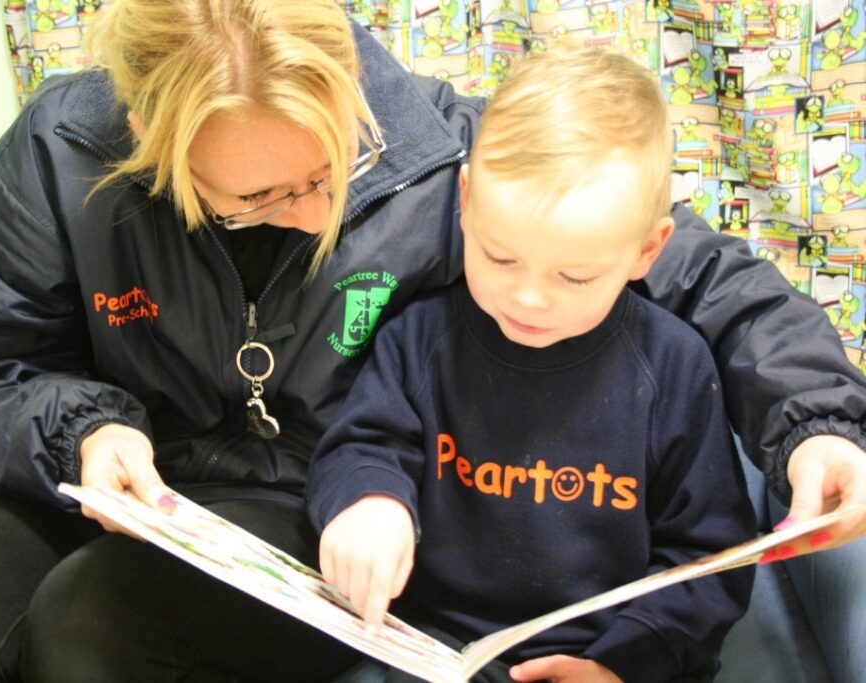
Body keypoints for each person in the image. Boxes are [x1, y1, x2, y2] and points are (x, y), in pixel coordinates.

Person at [0, 0, 863, 680]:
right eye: (258, 194)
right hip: (114, 486)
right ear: (150, 142)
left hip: (304, 495)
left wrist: (817, 426)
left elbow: (700, 276)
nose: (312, 204)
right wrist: (84, 436)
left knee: (92, 622)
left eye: (330, 166)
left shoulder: (442, 157)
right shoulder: (58, 156)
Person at [308, 47, 758, 683]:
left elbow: (709, 558)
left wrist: (625, 662)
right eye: (499, 257)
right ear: (465, 202)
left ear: (647, 249)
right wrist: (368, 502)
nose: (527, 298)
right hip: (429, 647)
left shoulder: (675, 368)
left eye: (574, 276)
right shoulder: (419, 337)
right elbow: (361, 445)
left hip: (609, 656)